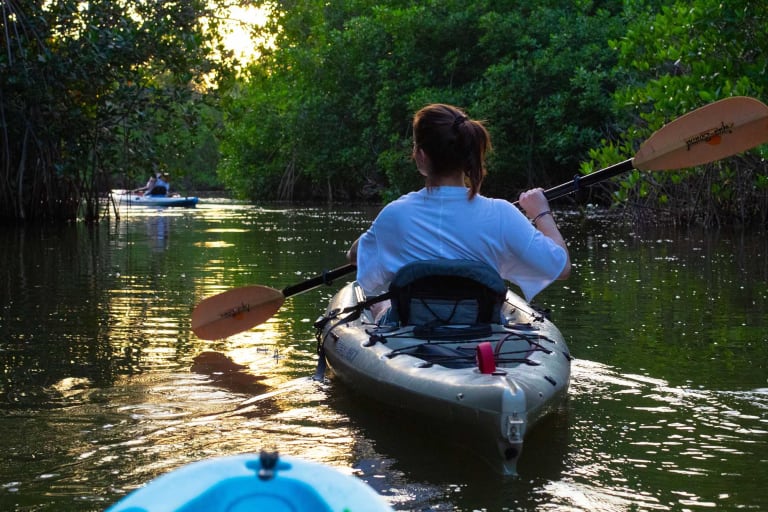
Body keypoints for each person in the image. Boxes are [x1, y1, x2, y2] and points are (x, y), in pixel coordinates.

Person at [346, 103, 570, 309]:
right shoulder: (502, 213)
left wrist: (375, 236)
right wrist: (541, 212)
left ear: (421, 156)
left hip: (410, 338)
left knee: (377, 305)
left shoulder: (395, 215)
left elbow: (354, 256)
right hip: (482, 338)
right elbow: (561, 268)